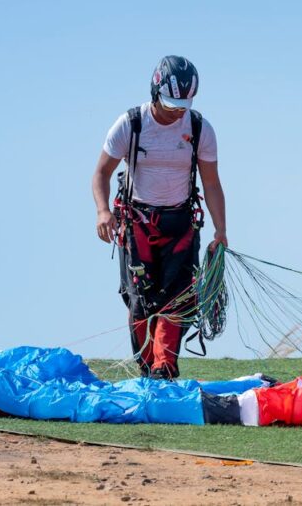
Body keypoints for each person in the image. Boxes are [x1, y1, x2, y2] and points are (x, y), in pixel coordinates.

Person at [91, 56, 228, 379]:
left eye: (182, 104)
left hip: (180, 224)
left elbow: (211, 182)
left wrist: (221, 230)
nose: (176, 110)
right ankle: (146, 365)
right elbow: (101, 173)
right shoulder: (131, 124)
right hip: (137, 223)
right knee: (139, 300)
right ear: (155, 92)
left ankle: (163, 368)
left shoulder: (198, 128)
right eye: (170, 104)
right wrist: (102, 211)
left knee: (178, 297)